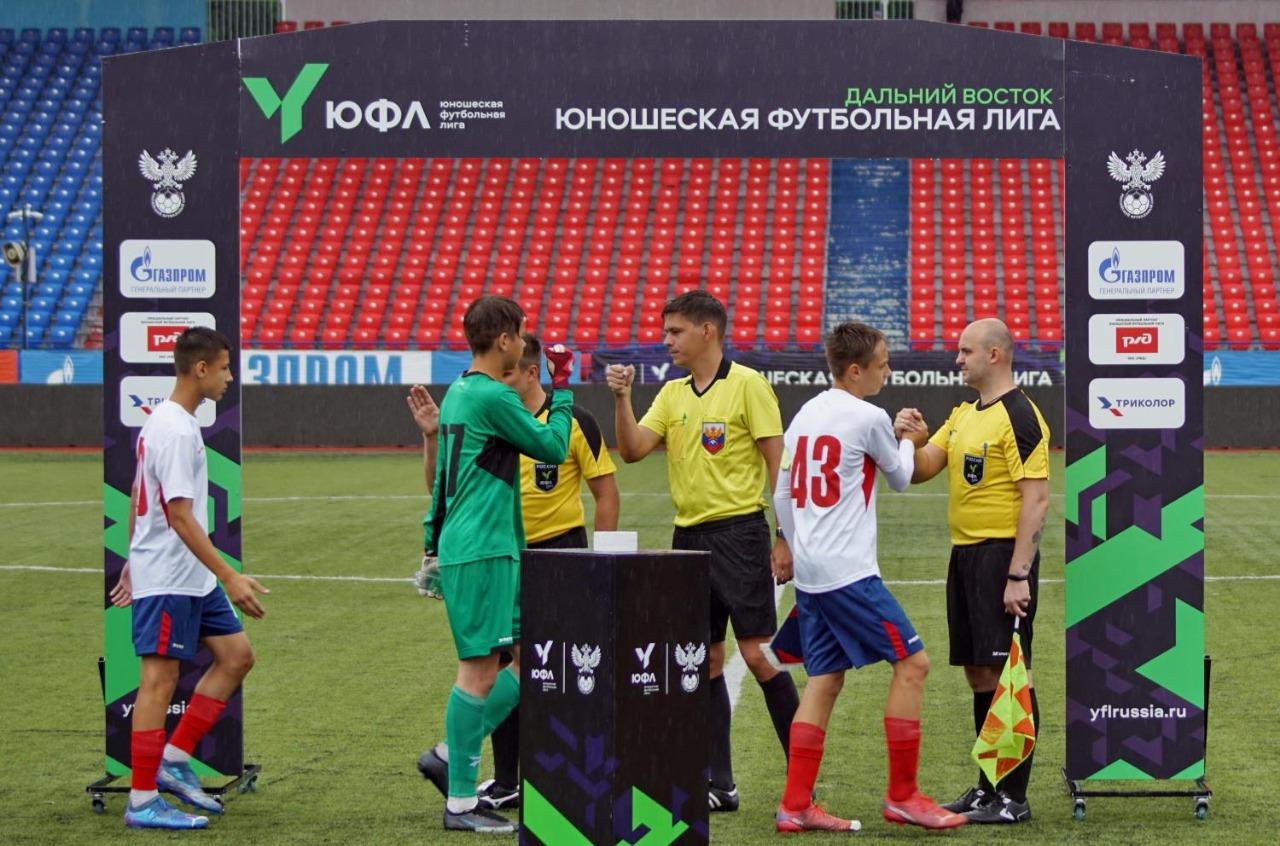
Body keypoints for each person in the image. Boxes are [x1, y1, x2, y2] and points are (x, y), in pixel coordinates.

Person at [606, 290, 799, 812]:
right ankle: (720, 784)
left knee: (758, 655)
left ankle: (802, 777)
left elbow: (778, 465)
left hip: (740, 534)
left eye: (675, 331)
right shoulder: (672, 394)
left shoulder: (748, 385)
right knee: (705, 661)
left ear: (707, 331)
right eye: (666, 332)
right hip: (687, 539)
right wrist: (622, 399)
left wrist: (784, 536)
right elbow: (633, 450)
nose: (666, 340)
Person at [411, 333, 620, 812]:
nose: (499, 379)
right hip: (502, 552)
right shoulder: (490, 410)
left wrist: (601, 559)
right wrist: (431, 437)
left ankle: (466, 759)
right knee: (498, 664)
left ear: (529, 371)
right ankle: (499, 778)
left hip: (558, 551)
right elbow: (443, 486)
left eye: (508, 372)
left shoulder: (569, 420)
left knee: (544, 666)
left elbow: (606, 493)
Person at [772, 322, 966, 833]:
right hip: (848, 572)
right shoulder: (868, 415)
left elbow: (782, 494)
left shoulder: (805, 413)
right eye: (882, 364)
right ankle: (903, 796)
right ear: (855, 370)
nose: (888, 371)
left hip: (813, 573)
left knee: (824, 680)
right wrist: (910, 439)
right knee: (913, 664)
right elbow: (901, 477)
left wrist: (795, 544)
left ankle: (795, 804)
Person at [110, 327, 268, 830]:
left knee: (237, 656)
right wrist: (230, 575)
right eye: (224, 368)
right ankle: (141, 801)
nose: (229, 378)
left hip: (189, 575)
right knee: (158, 681)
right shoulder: (175, 430)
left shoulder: (168, 422)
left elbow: (140, 495)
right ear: (200, 369)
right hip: (170, 576)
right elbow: (178, 516)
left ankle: (174, 759)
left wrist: (133, 558)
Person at [895, 318, 1050, 824]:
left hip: (1001, 558)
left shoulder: (1021, 415)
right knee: (980, 673)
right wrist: (909, 437)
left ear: (994, 355)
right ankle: (988, 789)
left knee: (1010, 675)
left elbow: (1037, 498)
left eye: (965, 351)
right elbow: (923, 467)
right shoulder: (964, 413)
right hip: (964, 556)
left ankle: (1013, 799)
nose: (957, 359)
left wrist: (1018, 574)